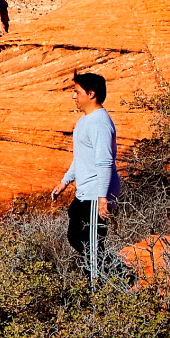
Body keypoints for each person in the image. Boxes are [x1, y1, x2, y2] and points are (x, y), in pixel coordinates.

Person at [51, 72, 121, 281]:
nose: (74, 96)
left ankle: (98, 289)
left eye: (77, 92)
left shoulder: (99, 123)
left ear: (91, 94)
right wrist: (65, 181)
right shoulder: (85, 121)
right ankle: (117, 275)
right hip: (86, 192)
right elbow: (81, 157)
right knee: (76, 236)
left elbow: (105, 162)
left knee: (91, 245)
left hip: (96, 193)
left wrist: (102, 199)